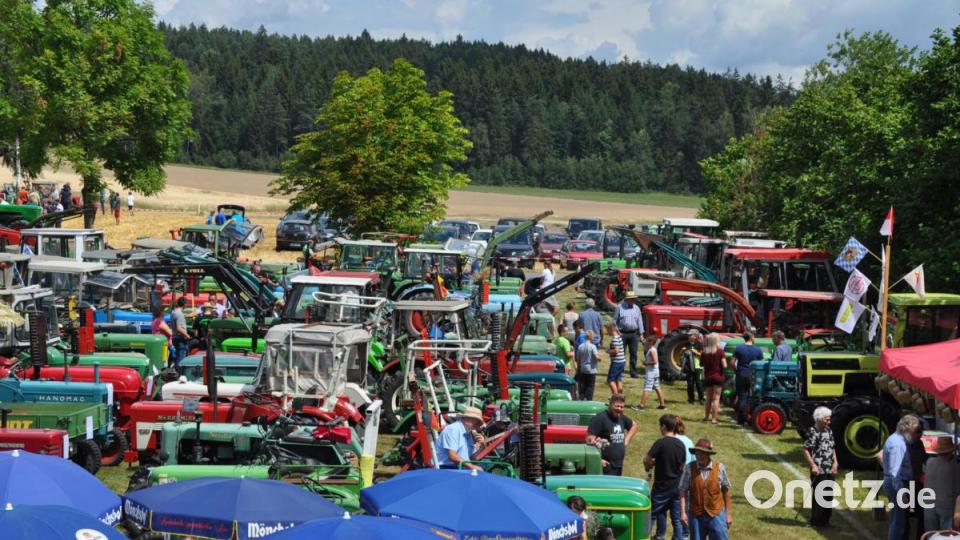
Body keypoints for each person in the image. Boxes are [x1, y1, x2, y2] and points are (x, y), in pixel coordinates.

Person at [679, 438, 733, 540]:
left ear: (708, 454)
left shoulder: (719, 467)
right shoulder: (689, 468)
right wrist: (683, 512)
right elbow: (682, 490)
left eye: (702, 454)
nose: (699, 456)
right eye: (697, 453)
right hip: (696, 514)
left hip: (716, 513)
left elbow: (726, 491)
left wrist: (728, 514)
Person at [645, 414, 687, 540]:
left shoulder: (660, 443)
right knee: (677, 519)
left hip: (662, 486)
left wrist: (649, 465)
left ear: (663, 426)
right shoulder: (681, 444)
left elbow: (647, 459)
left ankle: (645, 537)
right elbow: (682, 465)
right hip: (677, 486)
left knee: (651, 515)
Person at [883, 414, 921, 540]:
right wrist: (901, 492)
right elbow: (895, 472)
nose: (915, 435)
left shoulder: (895, 440)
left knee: (898, 519)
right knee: (898, 522)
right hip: (897, 484)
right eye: (914, 431)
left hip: (896, 483)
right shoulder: (898, 444)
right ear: (906, 429)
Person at [803, 406, 838, 528]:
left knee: (828, 495)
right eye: (827, 419)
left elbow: (832, 448)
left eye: (829, 419)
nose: (829, 422)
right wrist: (813, 465)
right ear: (819, 419)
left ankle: (825, 521)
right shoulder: (813, 431)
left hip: (829, 469)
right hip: (818, 469)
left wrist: (835, 463)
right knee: (819, 496)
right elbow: (806, 450)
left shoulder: (829, 431)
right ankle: (816, 521)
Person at [587, 394, 637, 476]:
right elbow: (589, 441)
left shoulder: (621, 417)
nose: (619, 409)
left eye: (622, 407)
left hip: (618, 465)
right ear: (610, 404)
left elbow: (634, 425)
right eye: (617, 406)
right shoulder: (599, 418)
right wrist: (598, 460)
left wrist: (626, 441)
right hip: (604, 466)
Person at [924, 436, 959, 532]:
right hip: (946, 504)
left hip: (928, 503)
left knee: (931, 534)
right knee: (946, 535)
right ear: (951, 451)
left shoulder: (929, 462)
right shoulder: (955, 466)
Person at [435, 406, 485, 470]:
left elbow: (472, 457)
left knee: (485, 465)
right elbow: (452, 456)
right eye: (477, 421)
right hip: (444, 468)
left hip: (458, 467)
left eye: (478, 422)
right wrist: (472, 467)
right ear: (467, 419)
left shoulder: (468, 432)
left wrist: (481, 445)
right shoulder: (453, 429)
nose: (477, 425)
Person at [732, 332, 764, 425]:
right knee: (754, 397)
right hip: (753, 375)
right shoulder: (758, 349)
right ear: (751, 337)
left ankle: (741, 419)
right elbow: (761, 363)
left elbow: (732, 363)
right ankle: (752, 418)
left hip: (742, 373)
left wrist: (737, 371)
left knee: (742, 396)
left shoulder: (738, 348)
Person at [614, 291, 644, 377]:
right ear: (626, 300)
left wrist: (641, 334)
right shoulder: (619, 307)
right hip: (622, 333)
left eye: (634, 299)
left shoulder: (637, 308)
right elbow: (614, 321)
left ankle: (633, 372)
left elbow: (640, 321)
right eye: (631, 299)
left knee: (634, 353)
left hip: (634, 334)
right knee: (621, 353)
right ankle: (620, 371)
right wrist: (617, 332)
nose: (633, 300)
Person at [700, 333, 727, 424]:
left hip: (708, 377)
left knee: (708, 398)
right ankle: (714, 419)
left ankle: (706, 417)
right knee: (716, 399)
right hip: (718, 377)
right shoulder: (720, 351)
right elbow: (724, 365)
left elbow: (701, 364)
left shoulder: (705, 352)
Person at [638, 334, 666, 410]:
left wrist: (645, 363)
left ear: (650, 342)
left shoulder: (652, 350)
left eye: (647, 341)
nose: (645, 343)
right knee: (657, 387)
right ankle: (662, 405)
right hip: (655, 372)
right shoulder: (652, 349)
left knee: (647, 388)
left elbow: (655, 361)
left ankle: (641, 406)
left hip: (651, 373)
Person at [575, 330, 599, 400]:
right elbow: (596, 356)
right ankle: (588, 400)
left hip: (583, 369)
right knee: (590, 386)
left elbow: (578, 359)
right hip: (591, 370)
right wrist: (600, 358)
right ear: (591, 337)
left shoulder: (580, 346)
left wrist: (578, 369)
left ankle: (581, 398)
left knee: (583, 386)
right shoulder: (593, 346)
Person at [681, 331, 704, 404]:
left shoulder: (699, 344)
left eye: (691, 335)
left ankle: (701, 399)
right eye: (689, 335)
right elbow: (683, 355)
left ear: (695, 336)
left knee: (698, 383)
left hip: (697, 366)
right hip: (689, 366)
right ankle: (691, 399)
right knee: (690, 384)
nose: (689, 336)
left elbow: (702, 355)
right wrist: (682, 351)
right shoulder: (686, 344)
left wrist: (695, 352)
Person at [170, 297, 191, 370]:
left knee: (177, 356)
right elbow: (179, 328)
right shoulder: (179, 314)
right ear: (185, 304)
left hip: (175, 337)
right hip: (181, 338)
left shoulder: (173, 312)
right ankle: (179, 372)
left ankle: (176, 371)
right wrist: (187, 335)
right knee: (181, 358)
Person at [605, 322, 626, 395]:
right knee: (618, 379)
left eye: (607, 330)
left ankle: (616, 396)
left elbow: (616, 351)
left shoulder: (615, 339)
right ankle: (620, 396)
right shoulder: (619, 337)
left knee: (610, 380)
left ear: (611, 330)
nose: (607, 332)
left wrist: (608, 351)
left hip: (616, 362)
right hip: (622, 362)